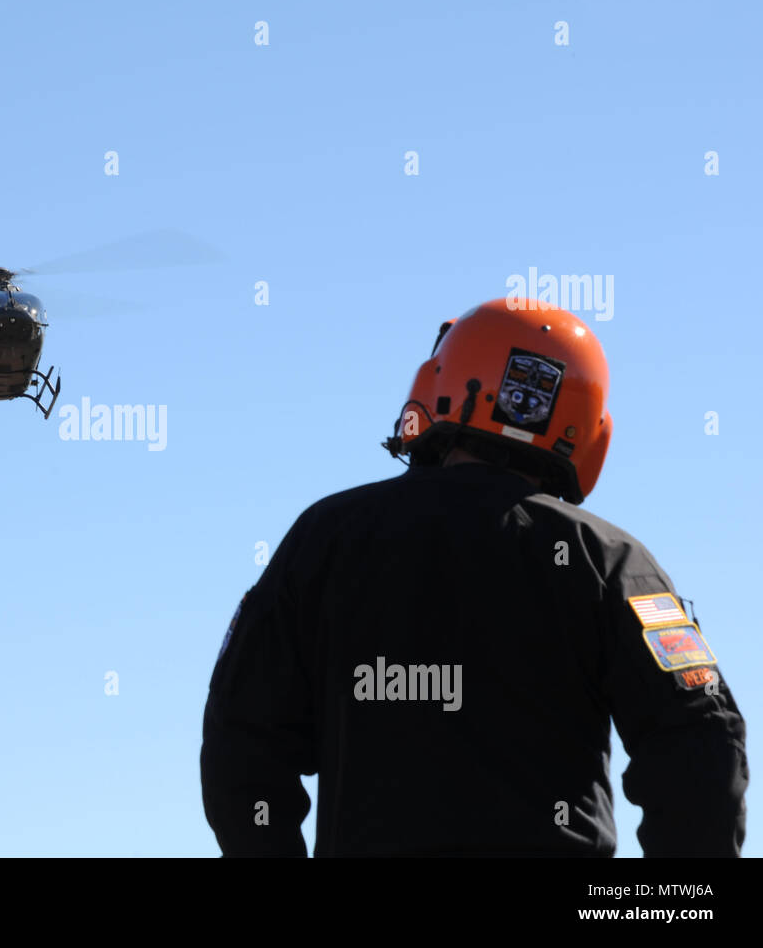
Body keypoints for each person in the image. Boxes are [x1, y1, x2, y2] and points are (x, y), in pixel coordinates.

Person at [201, 298, 748, 857]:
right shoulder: (609, 560)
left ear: (444, 383)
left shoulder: (324, 540)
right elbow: (701, 747)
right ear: (587, 427)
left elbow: (238, 749)